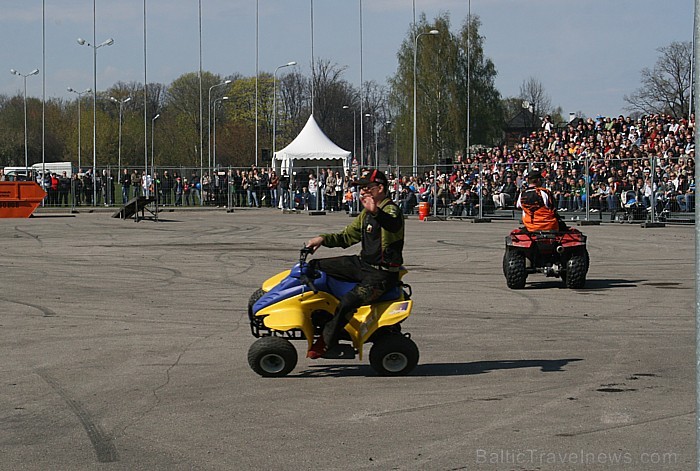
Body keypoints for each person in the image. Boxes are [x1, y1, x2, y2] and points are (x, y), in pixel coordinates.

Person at [305, 169, 405, 359]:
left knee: (348, 302)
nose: (363, 192)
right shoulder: (366, 214)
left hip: (381, 275)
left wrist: (376, 212)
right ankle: (320, 316)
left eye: (367, 188)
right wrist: (323, 239)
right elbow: (347, 236)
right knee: (315, 266)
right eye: (361, 188)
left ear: (380, 188)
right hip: (363, 264)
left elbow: (393, 225)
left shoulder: (391, 210)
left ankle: (327, 342)